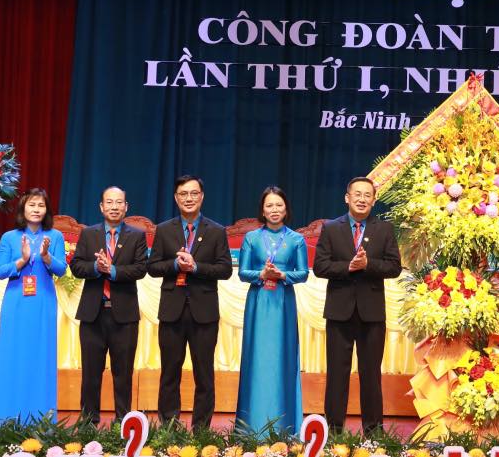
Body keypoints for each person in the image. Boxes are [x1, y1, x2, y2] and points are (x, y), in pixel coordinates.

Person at [313, 176, 402, 435]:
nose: (362, 199)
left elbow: (394, 267)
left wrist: (368, 265)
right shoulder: (331, 228)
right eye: (357, 194)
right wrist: (348, 267)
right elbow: (320, 266)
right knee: (337, 374)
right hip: (339, 312)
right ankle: (333, 432)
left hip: (371, 314)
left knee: (371, 374)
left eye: (367, 195)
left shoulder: (384, 229)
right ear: (347, 198)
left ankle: (373, 433)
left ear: (374, 200)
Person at [148, 175, 231, 429]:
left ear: (202, 197)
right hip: (172, 311)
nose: (189, 198)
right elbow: (153, 267)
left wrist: (196, 267)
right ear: (176, 198)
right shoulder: (164, 229)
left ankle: (201, 431)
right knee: (169, 374)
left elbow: (225, 269)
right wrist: (175, 265)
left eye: (194, 193)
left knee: (204, 375)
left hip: (204, 313)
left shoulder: (216, 231)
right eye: (183, 194)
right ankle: (169, 429)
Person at [71, 186, 149, 425]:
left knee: (123, 374)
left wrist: (112, 270)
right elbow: (76, 266)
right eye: (109, 202)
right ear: (101, 206)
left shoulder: (137, 235)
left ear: (126, 207)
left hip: (124, 316)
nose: (114, 207)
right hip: (92, 315)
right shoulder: (89, 234)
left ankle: (122, 425)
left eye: (119, 202)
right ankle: (88, 423)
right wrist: (96, 268)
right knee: (90, 374)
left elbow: (140, 269)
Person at [0, 188, 67, 422]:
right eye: (32, 205)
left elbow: (62, 270)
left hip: (43, 301)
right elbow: (1, 271)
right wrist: (22, 260)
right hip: (16, 302)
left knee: (41, 358)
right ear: (23, 208)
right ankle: (5, 418)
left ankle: (40, 420)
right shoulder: (9, 237)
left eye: (41, 205)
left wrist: (46, 256)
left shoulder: (54, 237)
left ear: (47, 210)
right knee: (12, 356)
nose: (36, 209)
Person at [235, 186, 309, 434]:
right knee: (256, 359)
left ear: (286, 209)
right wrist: (262, 274)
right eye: (269, 206)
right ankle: (250, 429)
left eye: (279, 205)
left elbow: (303, 274)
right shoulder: (252, 238)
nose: (274, 210)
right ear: (263, 210)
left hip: (283, 303)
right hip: (258, 303)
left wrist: (283, 275)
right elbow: (243, 273)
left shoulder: (296, 239)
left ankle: (285, 428)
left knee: (282, 358)